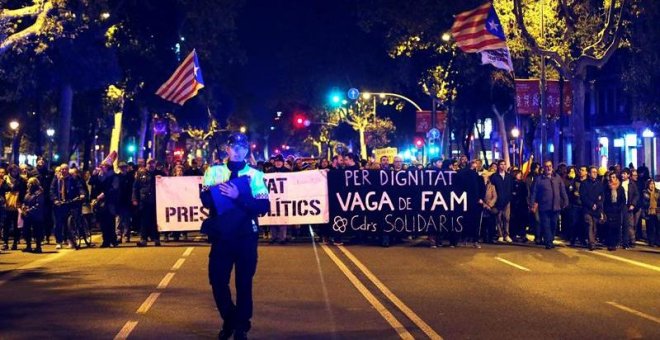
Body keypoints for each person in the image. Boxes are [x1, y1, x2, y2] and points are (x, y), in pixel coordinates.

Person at [200, 132, 270, 340]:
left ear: (247, 151)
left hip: (245, 236)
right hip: (222, 236)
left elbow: (263, 205)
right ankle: (230, 319)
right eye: (234, 147)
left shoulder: (255, 175)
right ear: (227, 149)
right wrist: (220, 194)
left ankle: (241, 326)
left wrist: (238, 196)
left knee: (244, 282)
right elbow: (204, 199)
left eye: (242, 147)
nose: (238, 151)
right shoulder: (214, 171)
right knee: (217, 280)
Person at [530, 160, 569, 249]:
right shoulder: (539, 179)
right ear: (543, 168)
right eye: (546, 166)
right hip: (544, 207)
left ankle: (550, 240)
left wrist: (565, 200)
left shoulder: (557, 178)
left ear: (552, 167)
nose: (548, 168)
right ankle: (548, 242)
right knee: (546, 225)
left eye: (550, 166)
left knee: (553, 225)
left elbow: (562, 190)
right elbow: (534, 192)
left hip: (556, 207)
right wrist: (532, 203)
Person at [49, 164, 85, 250]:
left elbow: (79, 187)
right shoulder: (56, 179)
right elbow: (52, 190)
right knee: (58, 223)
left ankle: (70, 240)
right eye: (62, 169)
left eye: (65, 169)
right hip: (59, 204)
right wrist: (54, 199)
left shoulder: (73, 178)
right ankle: (59, 241)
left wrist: (82, 194)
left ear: (68, 170)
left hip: (70, 203)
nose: (64, 171)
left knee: (69, 222)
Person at [132, 159, 165, 247]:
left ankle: (156, 239)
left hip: (156, 201)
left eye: (152, 163)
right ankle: (143, 239)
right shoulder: (140, 174)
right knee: (144, 221)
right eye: (149, 163)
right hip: (144, 201)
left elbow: (168, 184)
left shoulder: (160, 174)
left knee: (155, 221)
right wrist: (134, 199)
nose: (151, 165)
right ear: (146, 164)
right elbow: (135, 187)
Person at [580, 166, 604, 250]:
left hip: (596, 209)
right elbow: (583, 196)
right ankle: (591, 242)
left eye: (596, 172)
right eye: (593, 172)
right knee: (589, 223)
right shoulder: (584, 184)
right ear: (589, 173)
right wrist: (591, 204)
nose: (595, 173)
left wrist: (597, 204)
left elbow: (601, 196)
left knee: (595, 225)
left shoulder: (599, 184)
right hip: (587, 209)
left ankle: (592, 239)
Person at [490, 159, 513, 243]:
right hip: (498, 201)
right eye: (501, 164)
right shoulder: (494, 177)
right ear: (498, 166)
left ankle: (506, 234)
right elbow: (491, 189)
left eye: (504, 164)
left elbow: (511, 188)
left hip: (507, 201)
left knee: (507, 218)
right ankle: (500, 235)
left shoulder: (509, 176)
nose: (503, 166)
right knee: (498, 218)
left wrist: (509, 197)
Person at [21, 178, 46, 253]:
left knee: (37, 231)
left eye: (29, 183)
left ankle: (38, 247)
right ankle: (28, 246)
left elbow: (39, 204)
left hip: (36, 215)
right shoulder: (28, 192)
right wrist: (23, 207)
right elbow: (25, 202)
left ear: (33, 184)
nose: (27, 184)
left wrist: (30, 210)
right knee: (26, 231)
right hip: (28, 215)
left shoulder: (39, 193)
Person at [603, 172, 625, 251]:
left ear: (616, 178)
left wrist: (619, 208)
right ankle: (610, 244)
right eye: (611, 177)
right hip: (609, 210)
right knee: (609, 227)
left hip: (617, 210)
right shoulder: (606, 188)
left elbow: (623, 200)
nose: (612, 179)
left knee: (616, 227)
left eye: (614, 177)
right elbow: (604, 199)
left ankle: (615, 242)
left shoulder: (620, 188)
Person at [620, 168, 639, 249]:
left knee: (628, 225)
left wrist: (633, 204)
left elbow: (636, 195)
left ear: (628, 175)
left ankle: (629, 241)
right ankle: (621, 241)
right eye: (622, 173)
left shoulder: (632, 184)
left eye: (624, 174)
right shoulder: (618, 182)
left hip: (628, 206)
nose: (622, 175)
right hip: (620, 206)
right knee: (620, 224)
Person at [641, 179, 660, 247]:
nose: (652, 185)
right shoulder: (645, 192)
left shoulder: (658, 192)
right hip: (649, 211)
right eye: (650, 184)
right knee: (650, 227)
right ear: (648, 185)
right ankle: (651, 242)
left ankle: (658, 242)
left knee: (658, 227)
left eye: (653, 184)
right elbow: (644, 203)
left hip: (657, 211)